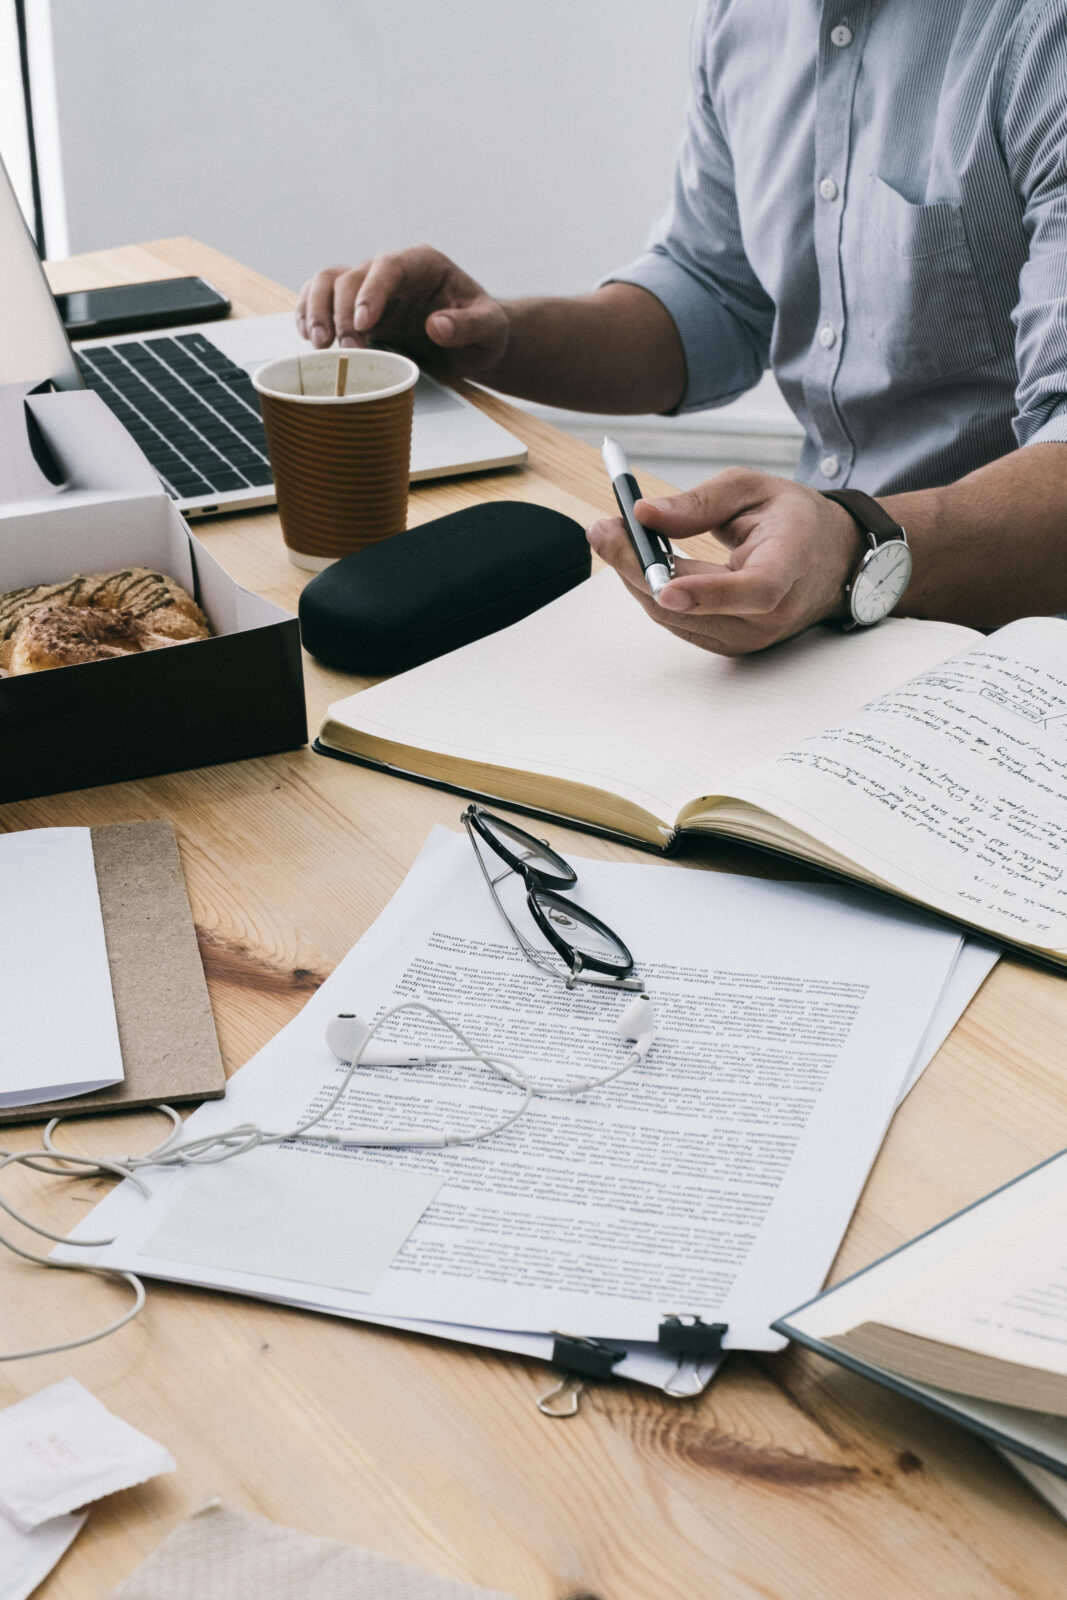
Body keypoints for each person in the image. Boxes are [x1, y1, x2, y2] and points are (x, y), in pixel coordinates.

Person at [296, 0, 1067, 656]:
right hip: (828, 616)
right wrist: (488, 335)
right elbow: (712, 292)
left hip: (1018, 649)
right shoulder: (746, 17)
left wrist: (853, 546)